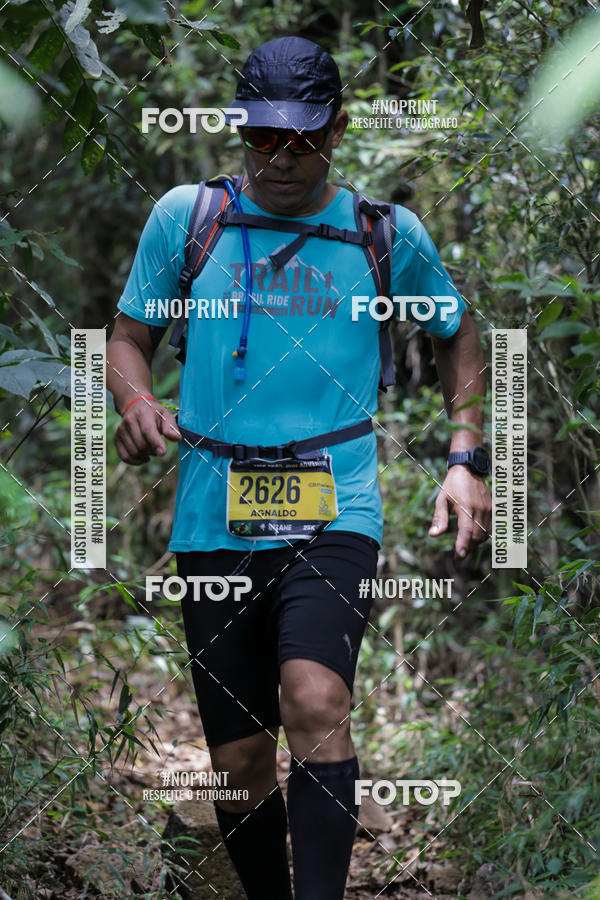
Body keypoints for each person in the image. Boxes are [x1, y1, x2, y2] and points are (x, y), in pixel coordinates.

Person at [107, 35, 492, 900]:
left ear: (338, 129)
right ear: (240, 127)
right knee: (239, 761)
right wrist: (134, 403)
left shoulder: (383, 234)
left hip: (336, 505)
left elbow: (459, 333)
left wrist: (467, 455)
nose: (283, 157)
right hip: (215, 513)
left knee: (315, 702)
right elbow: (128, 339)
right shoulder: (187, 218)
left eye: (304, 139)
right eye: (265, 137)